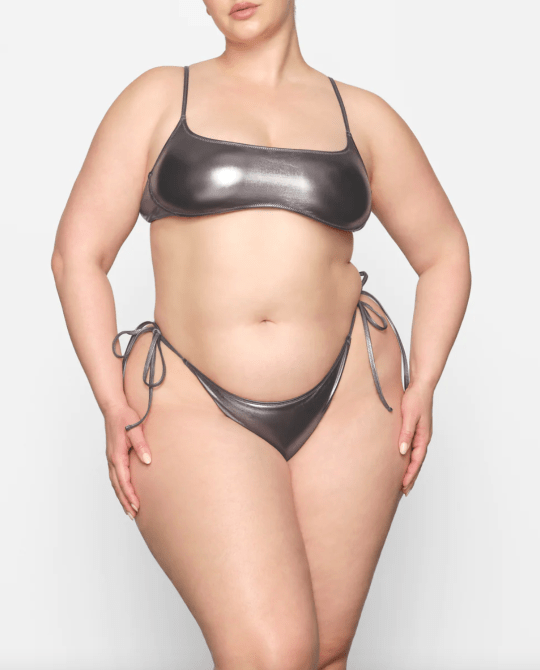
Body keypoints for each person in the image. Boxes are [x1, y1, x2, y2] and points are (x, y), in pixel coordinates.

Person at [51, 1, 471, 668]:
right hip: (192, 399)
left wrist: (425, 383)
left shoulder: (362, 116)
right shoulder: (159, 98)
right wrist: (110, 398)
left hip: (348, 402)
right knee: (273, 654)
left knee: (325, 655)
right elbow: (77, 255)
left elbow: (445, 252)